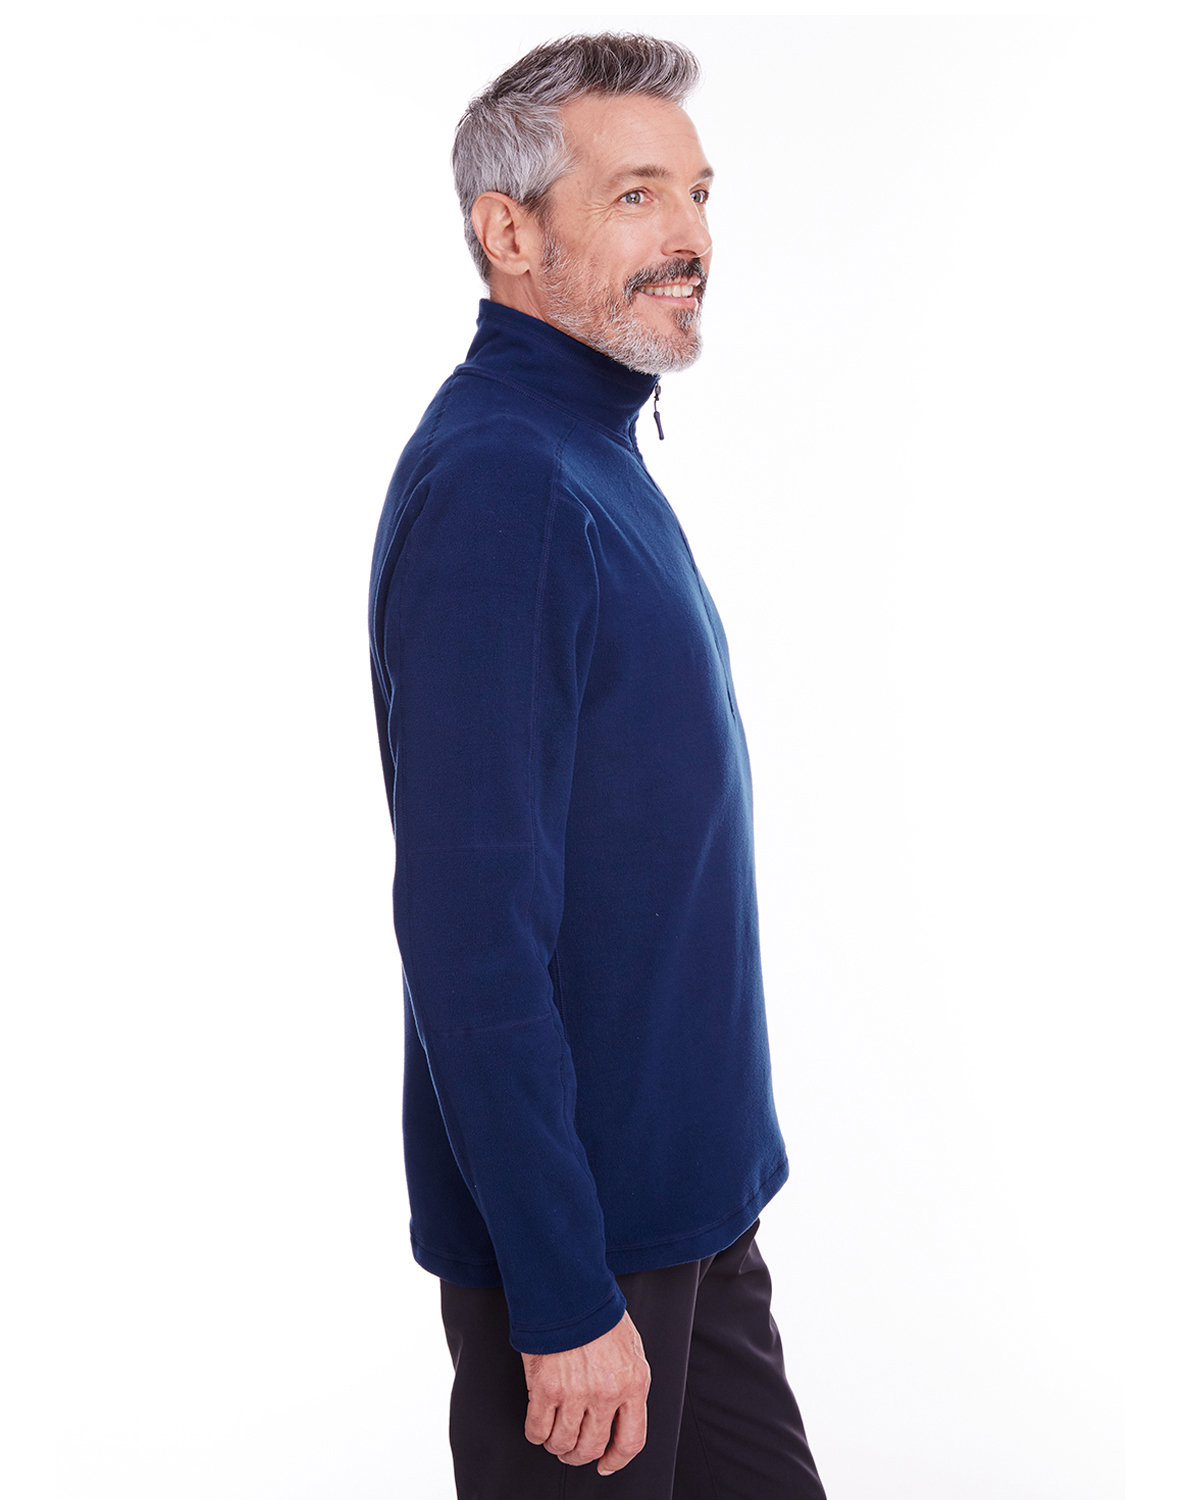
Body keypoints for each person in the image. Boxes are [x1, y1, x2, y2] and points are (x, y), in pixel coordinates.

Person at [368, 32, 827, 1498]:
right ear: (510, 233)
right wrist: (564, 1291)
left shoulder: (589, 450)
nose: (690, 235)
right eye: (635, 195)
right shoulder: (504, 485)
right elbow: (466, 930)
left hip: (690, 1213)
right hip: (585, 1258)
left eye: (697, 193)